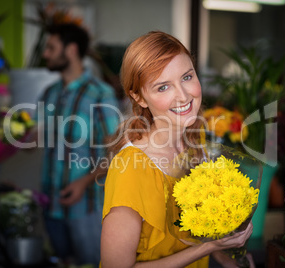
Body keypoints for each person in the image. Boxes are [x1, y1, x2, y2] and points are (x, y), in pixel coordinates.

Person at [100, 31, 254, 268]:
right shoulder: (131, 170)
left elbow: (194, 230)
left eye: (186, 77)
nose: (183, 96)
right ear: (139, 97)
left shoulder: (193, 139)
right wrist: (209, 247)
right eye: (163, 87)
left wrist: (224, 253)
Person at [38, 23, 120, 266]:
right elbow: (35, 141)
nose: (45, 54)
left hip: (87, 207)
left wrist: (84, 182)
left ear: (71, 50)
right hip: (50, 202)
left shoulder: (100, 94)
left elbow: (116, 153)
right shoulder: (49, 92)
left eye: (51, 47)